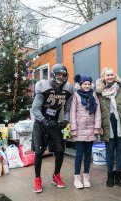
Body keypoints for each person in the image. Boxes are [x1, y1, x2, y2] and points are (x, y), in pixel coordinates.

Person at [31, 63, 73, 193]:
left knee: (60, 150)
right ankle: (37, 179)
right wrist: (43, 121)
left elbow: (67, 109)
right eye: (59, 74)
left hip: (54, 123)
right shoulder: (44, 86)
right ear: (53, 75)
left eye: (63, 74)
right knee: (38, 152)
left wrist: (65, 120)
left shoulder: (68, 89)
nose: (61, 76)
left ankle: (56, 176)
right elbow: (35, 108)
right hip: (41, 123)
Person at [96, 67, 121, 187]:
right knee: (109, 150)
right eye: (107, 75)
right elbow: (97, 110)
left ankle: (119, 175)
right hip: (107, 123)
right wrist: (98, 125)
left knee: (120, 149)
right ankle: (110, 175)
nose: (109, 77)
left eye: (111, 75)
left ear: (114, 76)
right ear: (103, 77)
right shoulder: (99, 92)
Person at [70, 74, 101, 189]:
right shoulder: (76, 96)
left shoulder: (94, 95)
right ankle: (77, 178)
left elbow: (98, 112)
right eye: (85, 84)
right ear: (81, 85)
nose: (87, 86)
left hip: (91, 129)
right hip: (79, 129)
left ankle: (86, 177)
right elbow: (73, 113)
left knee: (88, 155)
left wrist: (97, 127)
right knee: (79, 155)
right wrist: (73, 128)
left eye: (88, 84)